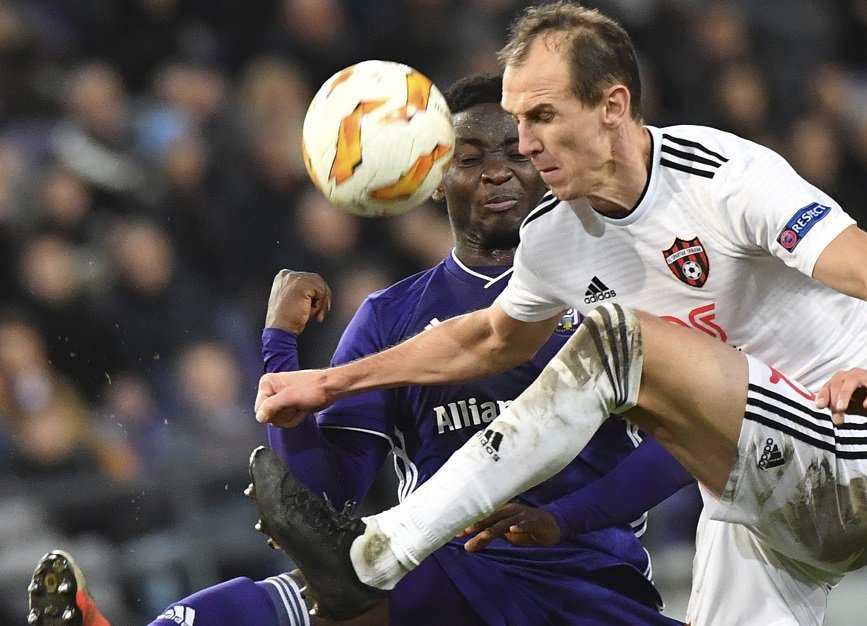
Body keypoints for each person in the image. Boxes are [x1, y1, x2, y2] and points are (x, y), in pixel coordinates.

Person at [248, 3, 867, 626]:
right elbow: (488, 340)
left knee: (618, 339)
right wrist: (328, 383)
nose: (524, 142)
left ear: (612, 105)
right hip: (752, 505)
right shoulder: (554, 234)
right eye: (518, 119)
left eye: (542, 116)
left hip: (852, 458)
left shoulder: (722, 177)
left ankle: (378, 554)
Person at [28, 73, 691, 626]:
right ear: (434, 177)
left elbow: (687, 444)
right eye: (468, 159)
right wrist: (281, 350)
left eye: (514, 153)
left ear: (543, 163)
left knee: (325, 595)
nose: (496, 173)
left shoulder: (611, 290)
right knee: (312, 593)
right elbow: (328, 489)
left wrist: (563, 520)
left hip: (589, 579)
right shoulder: (390, 318)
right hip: (445, 569)